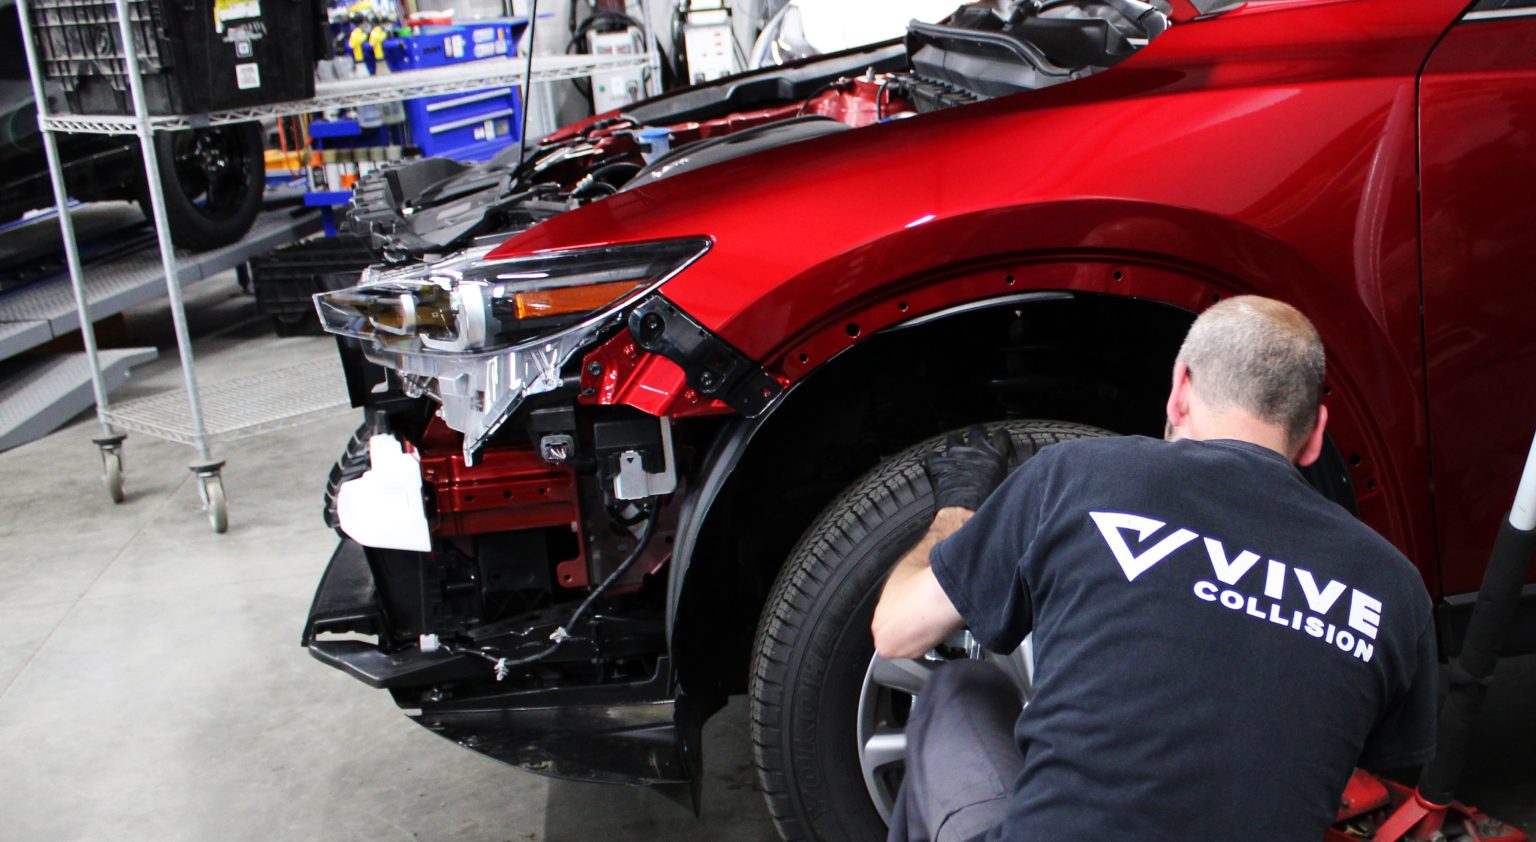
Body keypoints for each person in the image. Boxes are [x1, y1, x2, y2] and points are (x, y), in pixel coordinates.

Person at [871, 296, 1438, 841]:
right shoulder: (1394, 586)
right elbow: (1372, 771)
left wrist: (957, 513)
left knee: (959, 687)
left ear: (1180, 391)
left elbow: (897, 631)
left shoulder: (1076, 476)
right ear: (1315, 434)